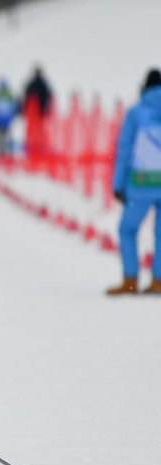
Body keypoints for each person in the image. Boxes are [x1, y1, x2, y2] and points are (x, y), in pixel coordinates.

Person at [107, 68, 161, 296]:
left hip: (141, 183)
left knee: (127, 229)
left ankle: (130, 280)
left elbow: (125, 149)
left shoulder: (136, 112)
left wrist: (117, 184)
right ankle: (158, 282)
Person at [22, 66, 54, 158]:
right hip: (38, 113)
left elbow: (25, 99)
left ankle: (34, 149)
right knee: (40, 132)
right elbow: (49, 97)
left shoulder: (31, 84)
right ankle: (38, 149)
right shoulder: (43, 84)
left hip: (33, 114)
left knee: (34, 132)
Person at [0, 78, 19, 157]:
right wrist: (12, 118)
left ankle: (0, 155)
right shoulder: (10, 96)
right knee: (8, 139)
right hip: (7, 121)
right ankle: (9, 155)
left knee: (0, 140)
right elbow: (14, 108)